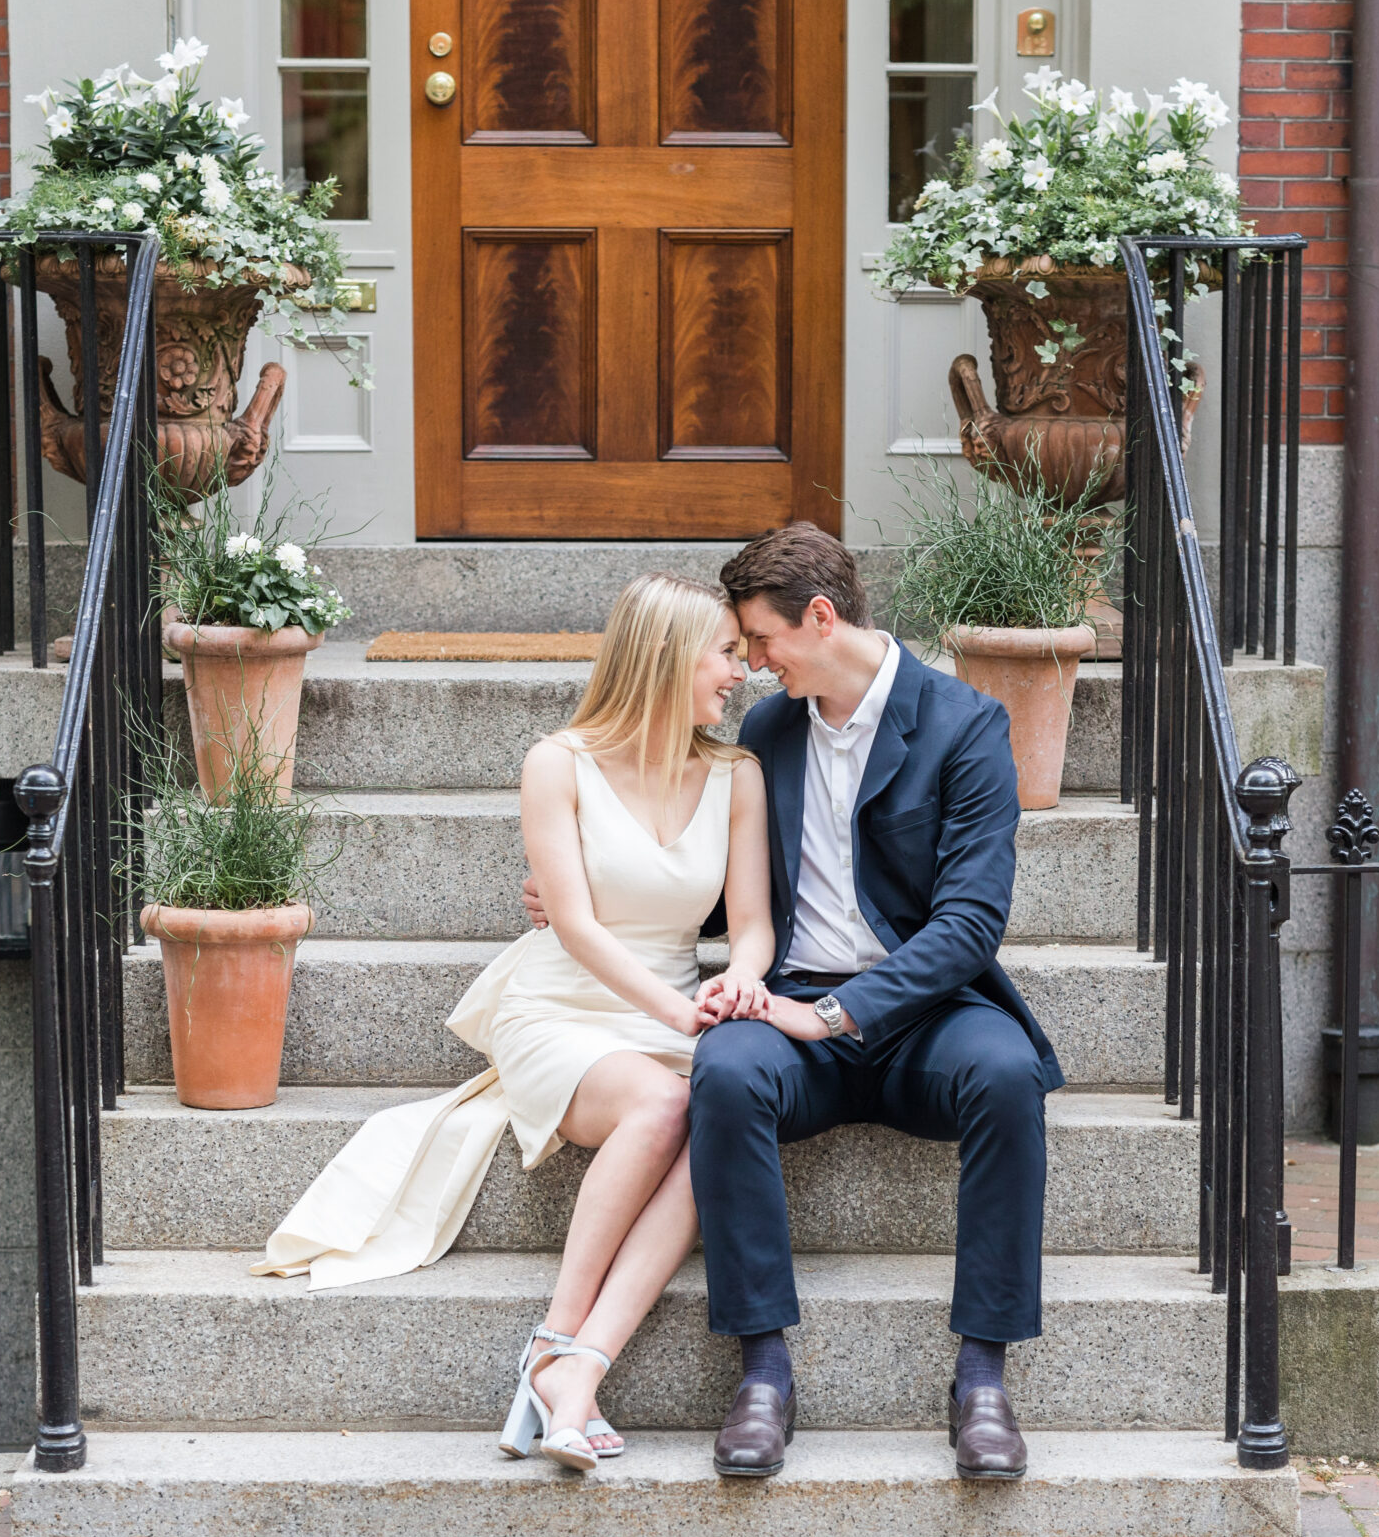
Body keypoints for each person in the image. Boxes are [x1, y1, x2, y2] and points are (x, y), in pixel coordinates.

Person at [258, 572, 776, 1472]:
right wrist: (678, 1011)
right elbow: (571, 924)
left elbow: (756, 923)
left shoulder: (738, 776)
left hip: (670, 1004)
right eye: (728, 652)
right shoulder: (557, 762)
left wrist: (741, 979)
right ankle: (555, 1336)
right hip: (563, 1004)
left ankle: (574, 1368)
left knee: (719, 1122)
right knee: (660, 1107)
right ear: (666, 656)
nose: (742, 672)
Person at [681, 522, 1060, 1481]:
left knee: (1008, 1073)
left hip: (925, 1014)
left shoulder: (963, 723)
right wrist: (586, 894)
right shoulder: (771, 730)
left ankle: (982, 1377)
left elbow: (971, 924)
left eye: (761, 641)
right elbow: (737, 886)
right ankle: (763, 1371)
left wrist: (843, 1013)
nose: (754, 665)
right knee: (723, 1071)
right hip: (794, 1006)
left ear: (820, 618)